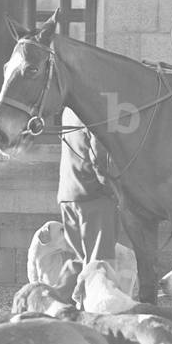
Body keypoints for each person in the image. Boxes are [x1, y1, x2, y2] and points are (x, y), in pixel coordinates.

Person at [58, 108, 118, 266]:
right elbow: (100, 158)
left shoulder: (68, 111)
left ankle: (57, 292)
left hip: (68, 194)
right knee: (101, 266)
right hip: (94, 196)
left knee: (81, 264)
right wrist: (113, 191)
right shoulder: (92, 109)